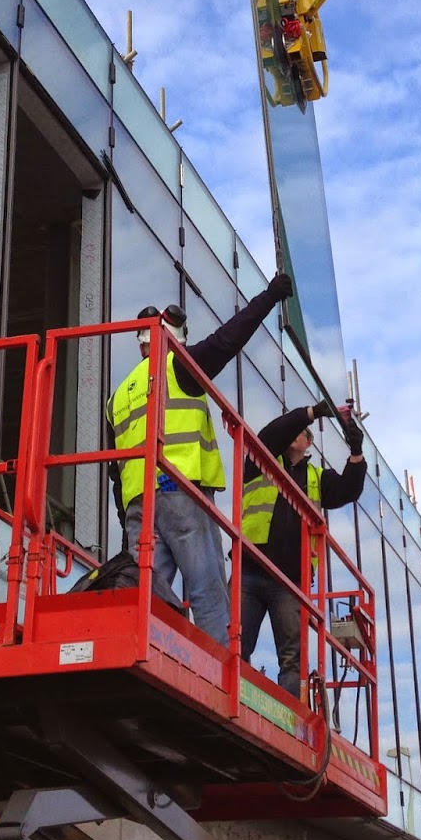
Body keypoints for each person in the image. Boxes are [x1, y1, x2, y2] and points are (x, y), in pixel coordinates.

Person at [111, 272, 293, 644]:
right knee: (207, 589)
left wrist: (128, 511)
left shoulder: (119, 395)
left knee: (145, 591)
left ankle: (139, 647)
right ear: (173, 339)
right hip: (182, 493)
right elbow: (228, 339)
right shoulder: (177, 366)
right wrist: (270, 295)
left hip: (138, 505)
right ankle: (223, 674)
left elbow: (115, 470)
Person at [238, 397, 366, 698]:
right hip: (252, 569)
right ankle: (235, 696)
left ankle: (290, 718)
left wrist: (357, 453)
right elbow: (272, 433)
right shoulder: (261, 459)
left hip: (290, 580)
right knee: (236, 641)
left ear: (308, 444)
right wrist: (309, 414)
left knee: (292, 657)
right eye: (295, 429)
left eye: (303, 433)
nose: (297, 433)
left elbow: (349, 489)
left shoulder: (317, 478)